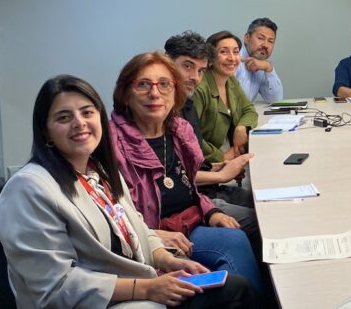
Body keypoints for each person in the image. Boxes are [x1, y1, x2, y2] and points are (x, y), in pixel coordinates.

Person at [0, 75, 256, 308]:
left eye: (87, 112)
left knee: (235, 288)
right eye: (64, 117)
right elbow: (56, 286)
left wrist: (168, 261)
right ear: (46, 132)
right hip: (97, 302)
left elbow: (137, 227)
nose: (79, 123)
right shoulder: (28, 188)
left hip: (135, 287)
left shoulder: (98, 171)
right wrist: (146, 288)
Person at [109, 52, 265, 296]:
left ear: (175, 92)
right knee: (232, 251)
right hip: (154, 234)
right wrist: (151, 236)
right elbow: (108, 213)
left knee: (257, 225)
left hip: (191, 219)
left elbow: (190, 187)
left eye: (164, 84)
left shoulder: (178, 130)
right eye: (143, 84)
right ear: (125, 95)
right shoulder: (110, 143)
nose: (155, 93)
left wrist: (211, 211)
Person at [165, 32, 259, 251]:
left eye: (200, 70)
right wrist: (222, 172)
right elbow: (171, 179)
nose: (195, 77)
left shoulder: (186, 106)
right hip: (190, 202)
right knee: (258, 222)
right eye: (187, 66)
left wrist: (218, 166)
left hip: (203, 189)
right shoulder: (170, 111)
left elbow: (188, 162)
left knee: (262, 204)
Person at [193, 31, 259, 164]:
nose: (232, 58)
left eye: (236, 52)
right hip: (207, 163)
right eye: (224, 52)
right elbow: (191, 136)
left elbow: (249, 110)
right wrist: (222, 157)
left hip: (231, 155)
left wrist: (242, 127)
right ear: (210, 58)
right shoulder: (199, 89)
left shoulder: (231, 80)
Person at [235, 18, 284, 104]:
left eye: (270, 41)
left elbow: (275, 100)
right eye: (261, 38)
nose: (265, 45)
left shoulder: (260, 64)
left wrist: (269, 67)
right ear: (247, 38)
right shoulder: (233, 59)